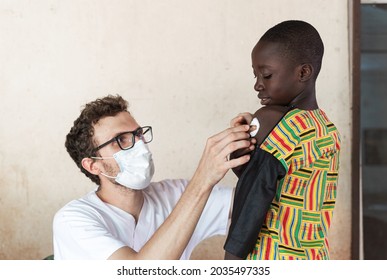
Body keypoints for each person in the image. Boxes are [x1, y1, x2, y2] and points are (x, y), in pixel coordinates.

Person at [53, 94, 255, 260]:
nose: (139, 145)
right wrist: (203, 180)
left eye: (138, 133)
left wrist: (259, 140)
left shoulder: (174, 194)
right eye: (120, 139)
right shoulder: (73, 220)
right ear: (93, 165)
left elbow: (251, 204)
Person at [224, 20, 341, 260]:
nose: (257, 85)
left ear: (303, 72)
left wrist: (231, 261)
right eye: (255, 74)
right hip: (314, 255)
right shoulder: (328, 129)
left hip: (272, 255)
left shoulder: (271, 120)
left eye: (266, 75)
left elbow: (253, 195)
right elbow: (282, 182)